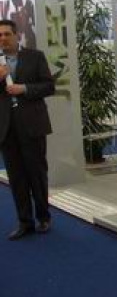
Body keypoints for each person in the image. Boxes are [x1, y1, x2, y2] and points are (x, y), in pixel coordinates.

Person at [0, 19, 55, 240]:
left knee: (37, 173)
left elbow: (49, 86)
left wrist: (23, 88)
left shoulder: (35, 56)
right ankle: (25, 221)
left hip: (32, 125)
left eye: (7, 34)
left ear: (17, 35)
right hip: (6, 128)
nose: (3, 39)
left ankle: (43, 217)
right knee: (16, 177)